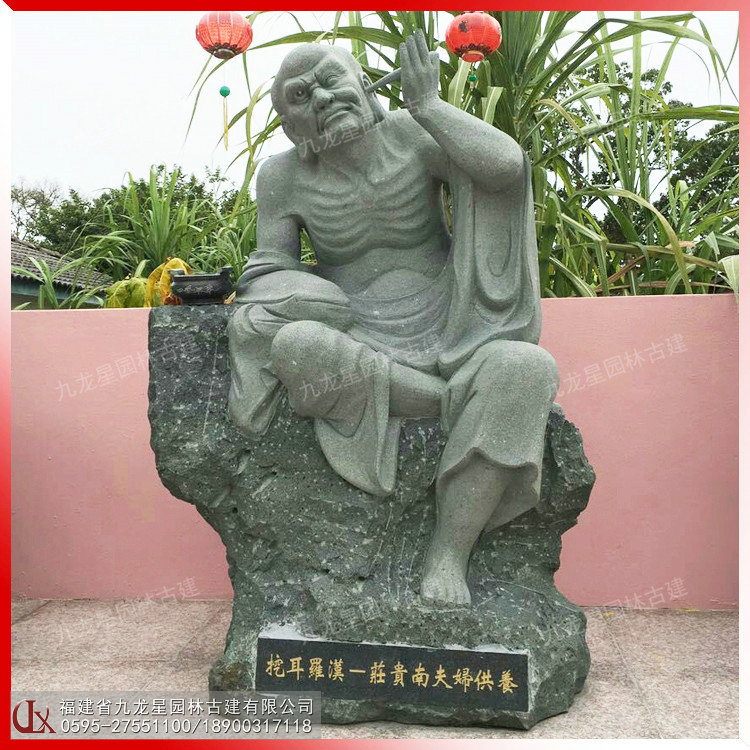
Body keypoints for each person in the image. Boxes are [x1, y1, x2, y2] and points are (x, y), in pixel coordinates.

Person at [228, 31, 558, 605]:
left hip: (456, 328)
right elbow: (269, 267)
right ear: (290, 127)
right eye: (301, 95)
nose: (321, 97)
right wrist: (307, 292)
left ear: (364, 83)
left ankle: (449, 552)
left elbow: (506, 170)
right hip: (355, 330)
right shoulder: (282, 177)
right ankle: (449, 402)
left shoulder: (412, 134)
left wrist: (429, 106)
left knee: (527, 369)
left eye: (331, 80)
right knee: (297, 344)